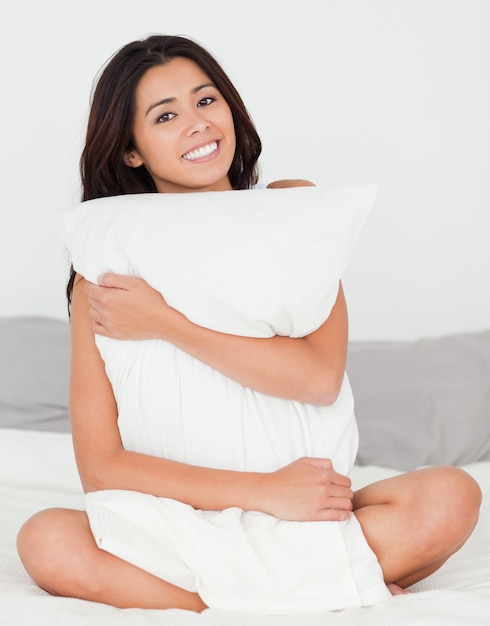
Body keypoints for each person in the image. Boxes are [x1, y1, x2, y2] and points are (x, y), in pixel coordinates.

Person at [17, 34, 481, 614]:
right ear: (130, 149)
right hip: (176, 524)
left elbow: (317, 380)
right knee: (47, 540)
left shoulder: (293, 215)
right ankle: (321, 588)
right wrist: (263, 492)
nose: (196, 123)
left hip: (310, 513)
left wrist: (165, 322)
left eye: (206, 101)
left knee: (449, 497)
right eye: (166, 115)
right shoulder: (102, 277)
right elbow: (103, 467)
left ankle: (230, 594)